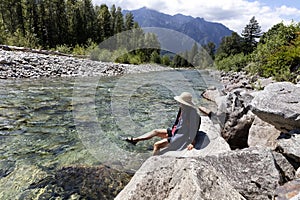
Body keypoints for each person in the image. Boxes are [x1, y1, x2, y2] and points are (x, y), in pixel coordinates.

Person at [124, 92, 201, 155]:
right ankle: (136, 140)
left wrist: (192, 143)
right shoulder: (182, 108)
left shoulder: (192, 114)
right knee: (155, 131)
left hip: (181, 137)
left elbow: (193, 129)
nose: (179, 103)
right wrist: (171, 133)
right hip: (176, 131)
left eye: (181, 102)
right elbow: (178, 123)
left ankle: (152, 163)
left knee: (157, 145)